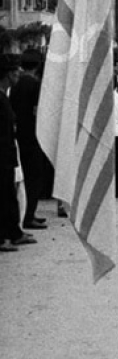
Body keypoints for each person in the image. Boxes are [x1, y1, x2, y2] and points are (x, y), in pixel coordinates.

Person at [9, 48, 51, 230]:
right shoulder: (35, 85)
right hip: (34, 137)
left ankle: (26, 213)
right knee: (34, 176)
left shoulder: (16, 84)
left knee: (23, 177)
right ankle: (29, 215)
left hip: (20, 135)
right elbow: (38, 112)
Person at [1, 53, 36, 252]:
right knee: (4, 197)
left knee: (11, 195)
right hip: (3, 156)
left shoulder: (6, 96)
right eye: (15, 72)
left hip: (9, 154)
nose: (19, 75)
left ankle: (14, 232)